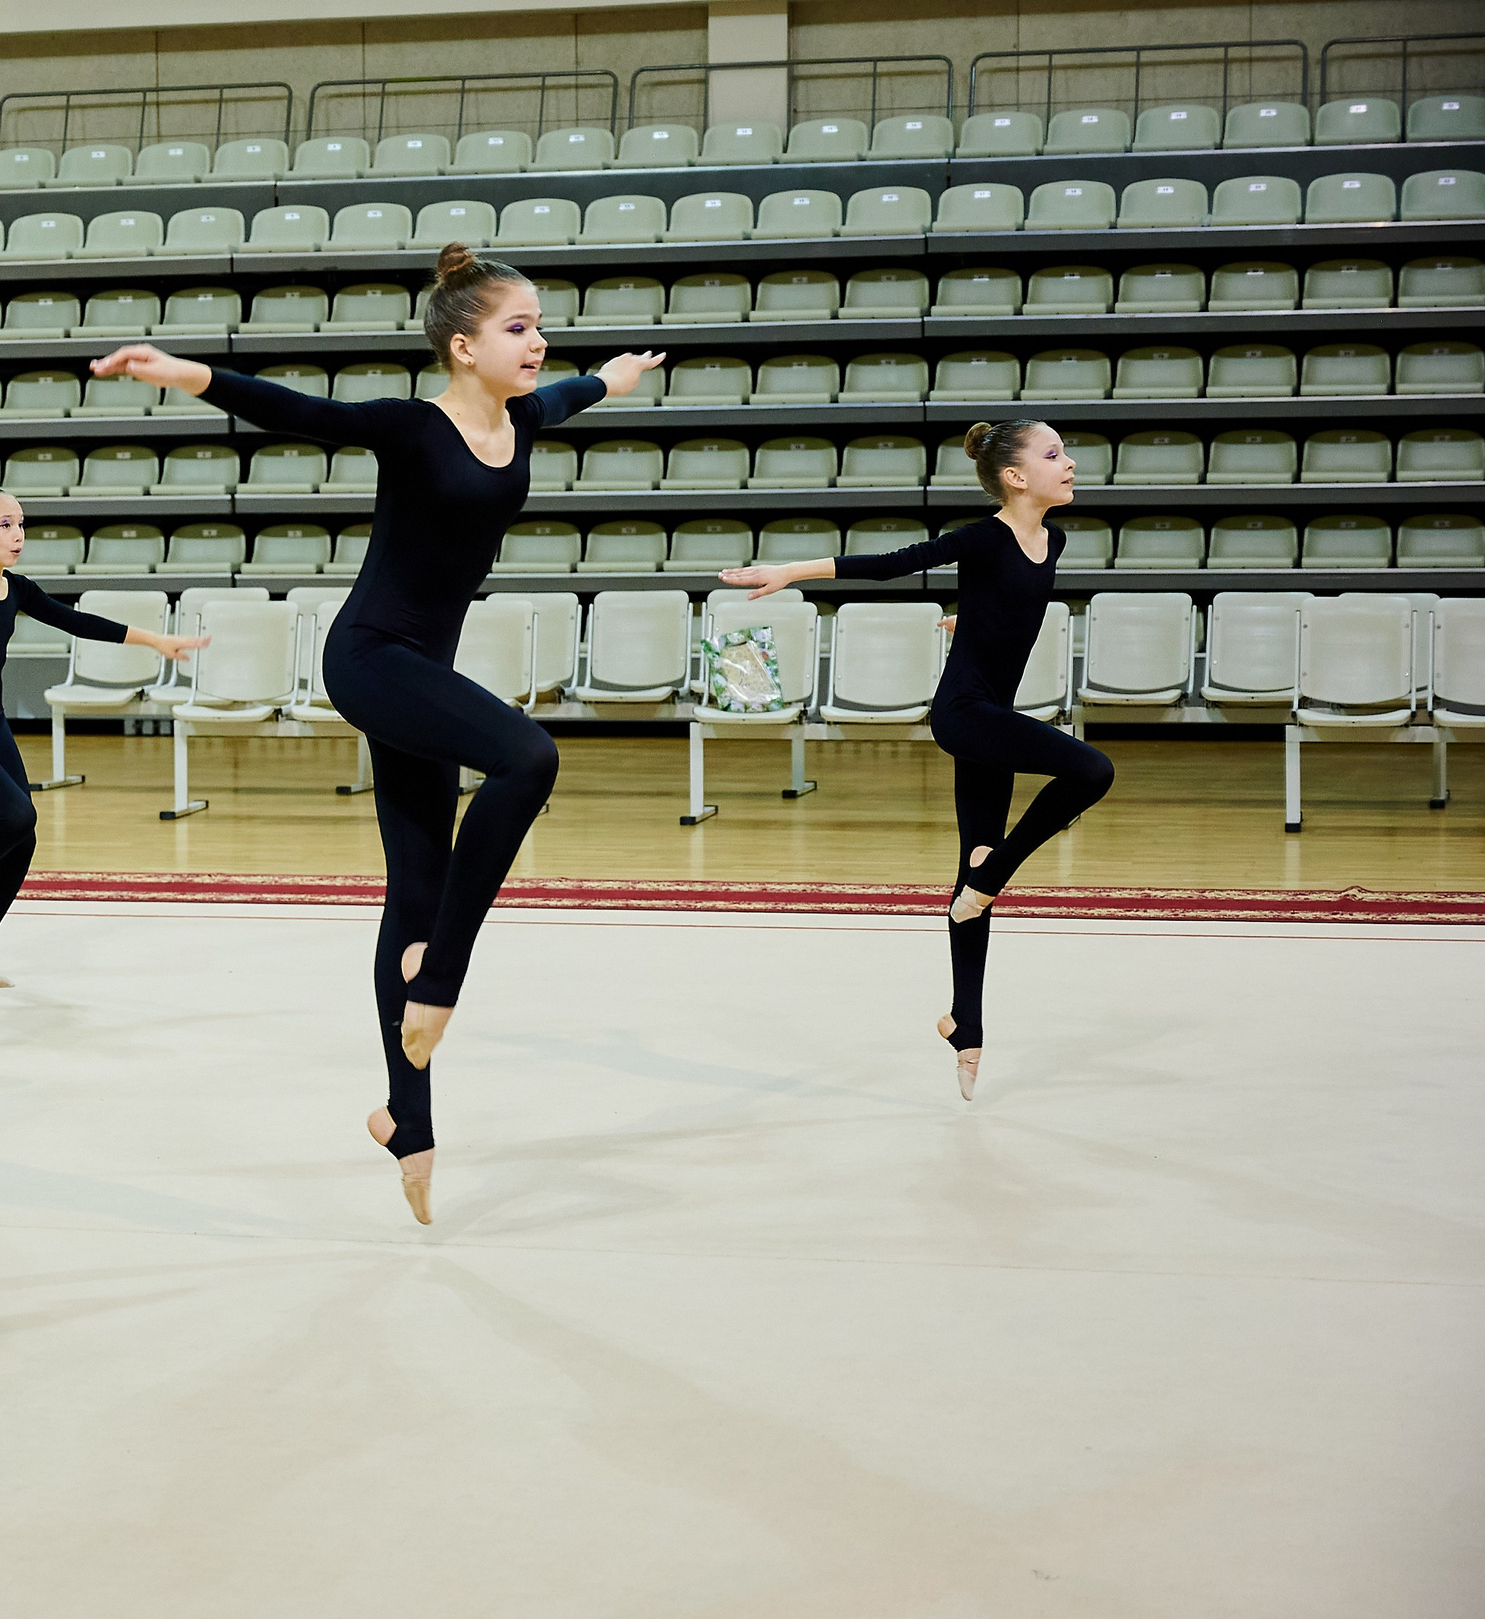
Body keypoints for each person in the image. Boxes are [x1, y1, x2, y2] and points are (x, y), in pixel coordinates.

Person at [92, 244, 665, 1224]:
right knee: (529, 755)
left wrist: (613, 379)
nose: (538, 342)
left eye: (538, 325)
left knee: (414, 880)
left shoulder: (523, 417)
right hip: (369, 656)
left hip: (420, 674)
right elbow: (300, 412)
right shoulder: (411, 427)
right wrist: (183, 373)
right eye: (517, 327)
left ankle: (405, 1118)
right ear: (461, 345)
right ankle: (438, 977)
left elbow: (576, 392)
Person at [721, 420, 1114, 1100]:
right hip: (966, 718)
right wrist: (790, 572)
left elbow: (1012, 602)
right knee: (1091, 770)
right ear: (1017, 477)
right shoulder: (982, 537)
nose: (1070, 462)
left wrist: (976, 616)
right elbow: (890, 563)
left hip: (989, 715)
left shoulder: (1054, 539)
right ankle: (996, 874)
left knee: (971, 875)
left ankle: (965, 1023)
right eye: (1054, 454)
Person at [0, 478, 203, 986]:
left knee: (21, 835)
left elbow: (75, 621)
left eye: (22, 524)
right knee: (18, 812)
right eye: (6, 525)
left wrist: (154, 641)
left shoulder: (16, 588)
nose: (18, 534)